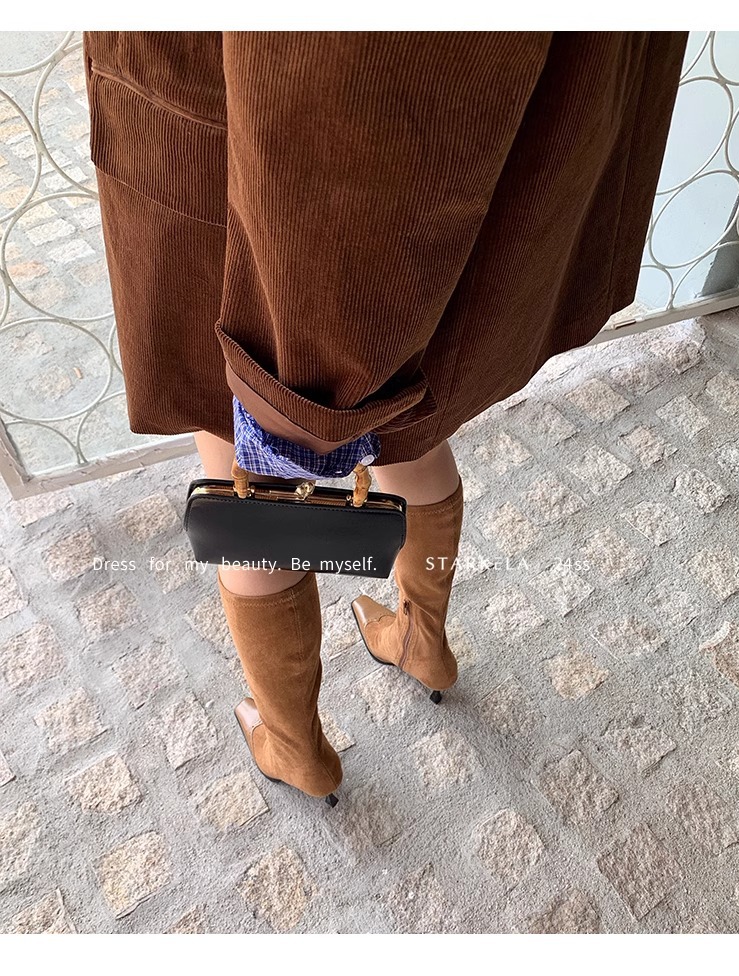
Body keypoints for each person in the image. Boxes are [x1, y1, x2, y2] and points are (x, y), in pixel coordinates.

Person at [82, 31, 688, 806]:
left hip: (277, 179)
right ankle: (422, 639)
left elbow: (344, 70)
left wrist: (296, 387)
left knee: (253, 484)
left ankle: (295, 746)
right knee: (407, 423)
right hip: (469, 143)